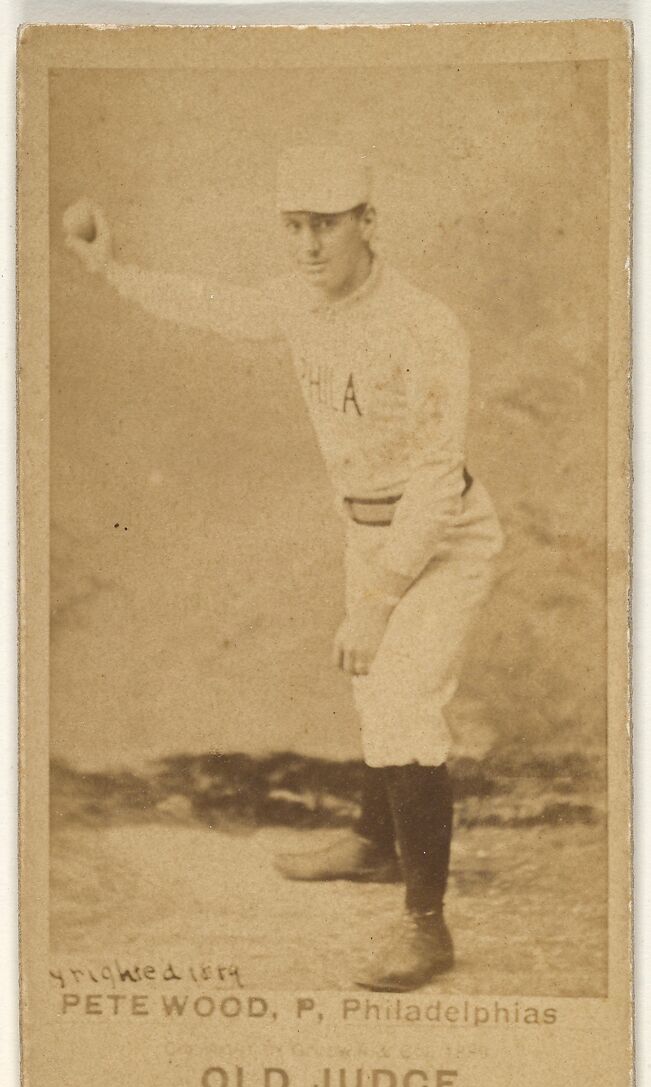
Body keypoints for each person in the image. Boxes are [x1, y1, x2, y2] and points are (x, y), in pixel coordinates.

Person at [63, 144, 503, 992]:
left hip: (443, 536)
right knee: (375, 693)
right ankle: (374, 844)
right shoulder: (299, 301)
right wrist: (111, 269)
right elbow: (215, 306)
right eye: (294, 226)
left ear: (367, 222)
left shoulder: (423, 325)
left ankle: (426, 926)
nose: (307, 245)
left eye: (325, 225)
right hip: (367, 531)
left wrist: (376, 601)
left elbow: (434, 483)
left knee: (403, 701)